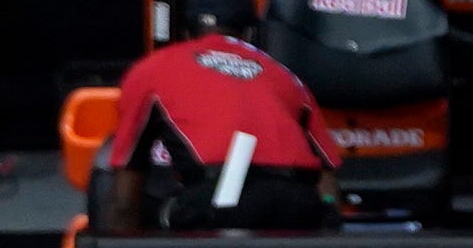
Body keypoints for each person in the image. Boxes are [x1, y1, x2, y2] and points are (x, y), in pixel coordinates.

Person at [92, 17, 337, 232]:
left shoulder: (152, 67)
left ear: (186, 34)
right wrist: (327, 216)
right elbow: (327, 178)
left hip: (221, 201)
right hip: (298, 204)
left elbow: (124, 202)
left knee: (133, 198)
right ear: (251, 34)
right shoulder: (288, 77)